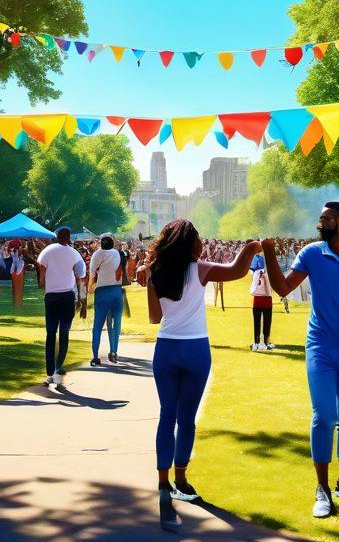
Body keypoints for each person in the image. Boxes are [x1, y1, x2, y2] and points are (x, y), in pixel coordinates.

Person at [262, 202, 339, 519]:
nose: (320, 223)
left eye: (326, 218)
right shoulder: (311, 253)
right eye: (320, 218)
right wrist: (269, 252)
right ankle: (322, 489)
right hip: (320, 345)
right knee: (324, 417)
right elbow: (283, 288)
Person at [144, 219, 260, 531]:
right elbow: (237, 271)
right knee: (186, 420)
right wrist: (252, 246)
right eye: (198, 238)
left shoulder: (154, 271)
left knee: (167, 415)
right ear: (189, 243)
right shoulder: (201, 269)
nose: (202, 242)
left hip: (166, 349)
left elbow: (154, 317)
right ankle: (181, 480)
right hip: (195, 350)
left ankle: (164, 484)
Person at [37, 227, 86, 388]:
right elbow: (80, 275)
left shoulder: (47, 250)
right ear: (69, 238)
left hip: (51, 296)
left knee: (50, 334)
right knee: (64, 333)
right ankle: (57, 369)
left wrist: (44, 284)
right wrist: (81, 298)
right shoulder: (74, 253)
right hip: (67, 297)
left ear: (57, 237)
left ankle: (49, 374)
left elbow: (41, 272)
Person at [89, 234, 123, 366]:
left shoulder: (97, 254)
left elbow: (92, 274)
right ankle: (113, 352)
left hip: (102, 290)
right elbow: (118, 272)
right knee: (115, 323)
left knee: (98, 325)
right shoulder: (116, 253)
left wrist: (89, 288)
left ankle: (95, 356)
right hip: (115, 290)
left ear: (101, 244)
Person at [249, 254, 275, 351]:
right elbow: (270, 288)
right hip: (266, 299)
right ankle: (265, 342)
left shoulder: (255, 273)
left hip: (257, 299)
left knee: (257, 322)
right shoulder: (267, 273)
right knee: (267, 323)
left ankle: (257, 343)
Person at [9, 240, 25, 307]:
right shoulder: (15, 255)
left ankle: (17, 304)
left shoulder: (20, 259)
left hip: (17, 272)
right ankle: (17, 303)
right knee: (16, 290)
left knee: (17, 290)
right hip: (16, 272)